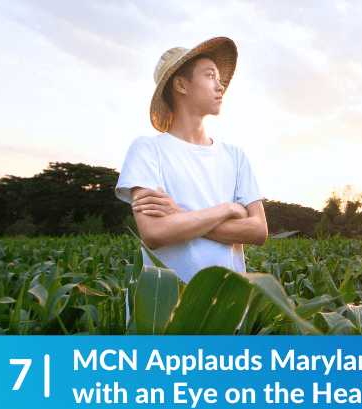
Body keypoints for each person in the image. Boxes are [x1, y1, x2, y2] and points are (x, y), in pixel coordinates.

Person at [114, 37, 267, 283]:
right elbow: (154, 233)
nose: (220, 86)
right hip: (164, 300)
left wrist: (179, 215)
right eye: (210, 76)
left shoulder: (235, 155)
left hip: (227, 301)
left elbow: (259, 231)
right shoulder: (147, 149)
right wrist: (229, 209)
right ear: (181, 85)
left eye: (219, 78)